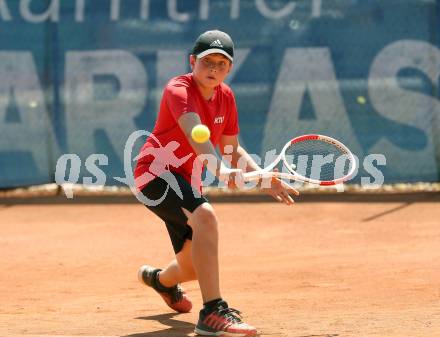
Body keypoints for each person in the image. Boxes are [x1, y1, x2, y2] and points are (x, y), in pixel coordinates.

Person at [134, 29, 299, 337]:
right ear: (192, 61)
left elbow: (231, 149)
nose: (214, 69)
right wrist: (224, 173)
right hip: (155, 174)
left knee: (194, 267)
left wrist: (261, 176)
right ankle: (213, 312)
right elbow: (198, 137)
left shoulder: (225, 96)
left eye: (221, 64)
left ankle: (161, 281)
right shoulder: (178, 90)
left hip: (188, 179)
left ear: (229, 68)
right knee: (206, 216)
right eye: (207, 61)